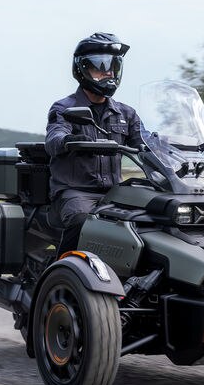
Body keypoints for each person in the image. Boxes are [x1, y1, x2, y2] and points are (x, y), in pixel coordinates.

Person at [45, 32, 145, 255]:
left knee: (152, 221)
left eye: (112, 66)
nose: (108, 72)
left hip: (115, 193)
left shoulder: (126, 113)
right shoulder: (64, 108)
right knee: (83, 221)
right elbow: (53, 139)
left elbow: (146, 143)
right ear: (83, 69)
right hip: (75, 192)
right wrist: (68, 140)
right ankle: (59, 277)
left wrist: (178, 144)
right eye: (100, 66)